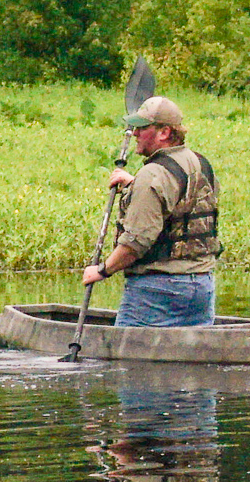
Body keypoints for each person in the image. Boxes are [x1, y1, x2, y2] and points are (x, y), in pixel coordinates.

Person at [80, 95, 221, 326]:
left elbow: (135, 244)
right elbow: (180, 206)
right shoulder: (201, 163)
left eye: (142, 128)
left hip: (156, 291)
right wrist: (135, 184)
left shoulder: (152, 176)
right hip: (201, 287)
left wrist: (102, 271)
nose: (134, 133)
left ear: (164, 133)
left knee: (124, 360)